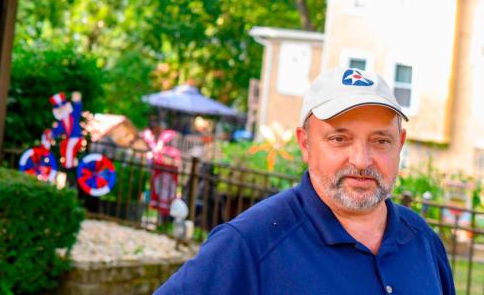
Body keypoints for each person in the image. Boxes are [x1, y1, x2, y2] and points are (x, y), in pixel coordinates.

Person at [153, 67, 456, 295]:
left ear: (400, 143)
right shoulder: (250, 244)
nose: (362, 160)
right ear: (305, 143)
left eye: (380, 141)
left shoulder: (423, 242)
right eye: (339, 139)